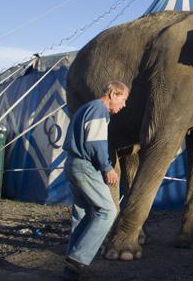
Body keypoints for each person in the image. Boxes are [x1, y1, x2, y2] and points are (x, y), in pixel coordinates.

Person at [62, 81, 129, 280]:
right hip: (85, 166)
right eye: (123, 99)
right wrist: (107, 167)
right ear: (113, 94)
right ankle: (78, 259)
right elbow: (95, 143)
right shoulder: (99, 110)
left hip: (73, 163)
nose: (124, 105)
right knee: (108, 211)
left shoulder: (86, 108)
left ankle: (71, 265)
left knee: (83, 213)